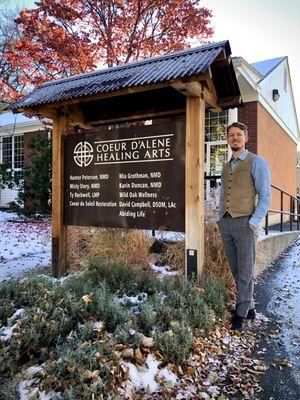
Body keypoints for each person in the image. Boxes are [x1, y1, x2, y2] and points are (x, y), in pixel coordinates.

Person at [217, 122, 271, 332]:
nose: (235, 138)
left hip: (245, 223)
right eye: (231, 135)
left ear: (246, 138)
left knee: (245, 271)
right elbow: (223, 194)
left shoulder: (256, 162)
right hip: (226, 222)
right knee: (236, 269)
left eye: (238, 135)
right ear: (228, 140)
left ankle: (240, 315)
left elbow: (265, 196)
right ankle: (249, 308)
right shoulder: (226, 166)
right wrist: (219, 217)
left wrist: (253, 222)